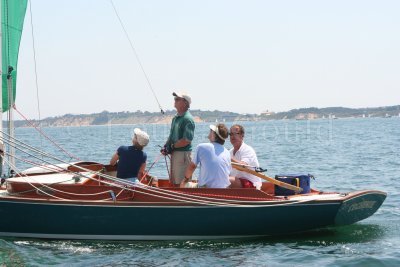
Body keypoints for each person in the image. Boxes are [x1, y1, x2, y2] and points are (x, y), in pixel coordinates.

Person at [161, 91, 195, 186]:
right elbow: (172, 135)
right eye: (175, 99)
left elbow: (186, 140)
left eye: (177, 99)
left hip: (183, 155)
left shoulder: (187, 119)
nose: (174, 100)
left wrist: (171, 146)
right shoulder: (176, 118)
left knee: (181, 184)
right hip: (176, 154)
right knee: (174, 182)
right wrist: (166, 146)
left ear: (185, 103)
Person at [183, 124, 231, 188]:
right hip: (224, 189)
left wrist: (184, 180)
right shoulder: (227, 152)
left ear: (214, 135)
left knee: (185, 185)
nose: (210, 131)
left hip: (206, 189)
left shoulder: (201, 147)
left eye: (211, 131)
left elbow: (192, 167)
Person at [229, 124, 262, 189]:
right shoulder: (230, 152)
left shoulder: (248, 150)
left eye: (236, 133)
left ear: (242, 136)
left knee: (227, 180)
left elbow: (242, 166)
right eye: (231, 134)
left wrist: (228, 158)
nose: (233, 136)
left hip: (252, 185)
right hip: (237, 183)